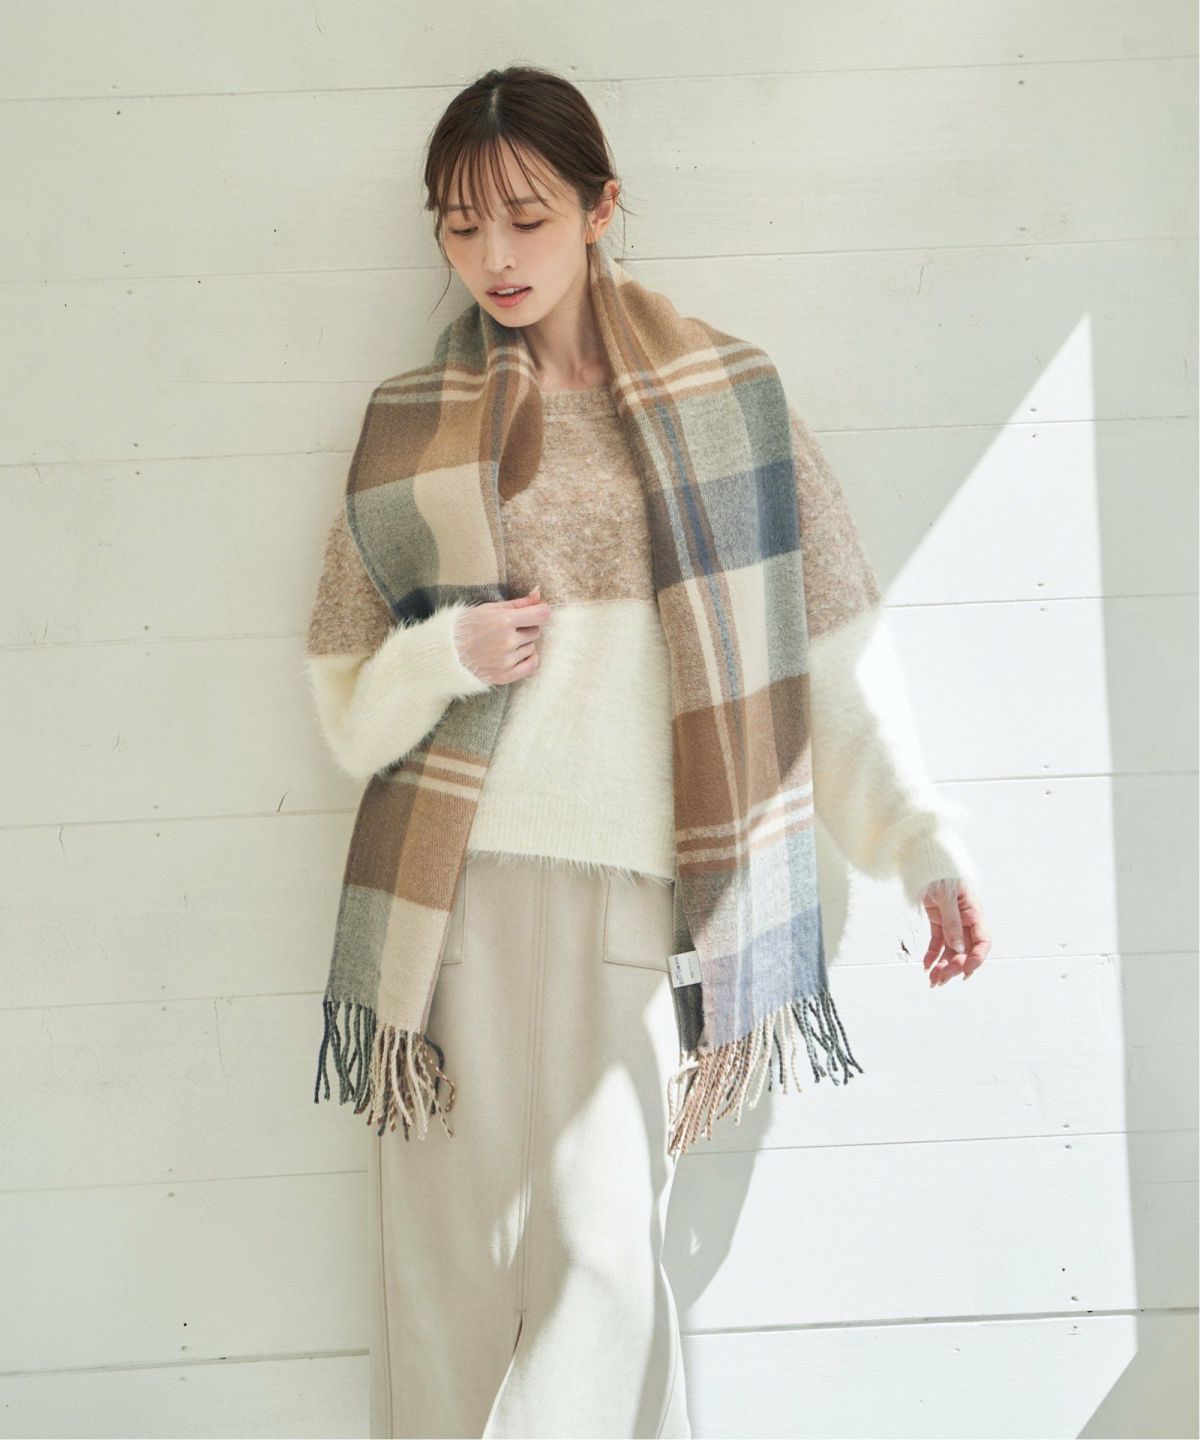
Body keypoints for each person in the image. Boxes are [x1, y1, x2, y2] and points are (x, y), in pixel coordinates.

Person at [304, 64, 992, 1440]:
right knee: (448, 1277)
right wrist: (448, 653)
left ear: (601, 207)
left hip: (636, 900)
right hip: (455, 898)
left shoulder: (730, 400)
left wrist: (922, 843)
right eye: (461, 227)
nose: (495, 258)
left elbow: (829, 651)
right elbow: (347, 715)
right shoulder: (411, 426)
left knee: (608, 1269)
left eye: (527, 218)